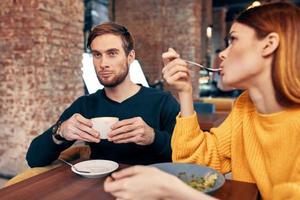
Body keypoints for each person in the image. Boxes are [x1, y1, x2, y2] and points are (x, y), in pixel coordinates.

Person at [104, 2, 300, 200]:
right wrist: (185, 91)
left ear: (269, 44)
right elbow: (200, 161)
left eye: (233, 40)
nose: (222, 54)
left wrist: (172, 190)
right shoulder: (245, 106)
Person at [26, 22, 180, 167]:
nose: (103, 63)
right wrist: (59, 133)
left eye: (112, 53)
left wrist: (153, 137)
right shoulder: (85, 105)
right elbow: (33, 159)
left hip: (152, 189)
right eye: (97, 55)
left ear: (130, 56)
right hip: (98, 188)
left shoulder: (162, 102)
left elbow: (185, 157)